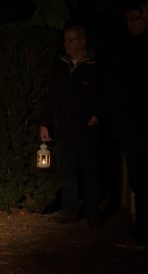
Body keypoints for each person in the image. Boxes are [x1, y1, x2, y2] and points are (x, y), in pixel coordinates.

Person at [40, 25, 104, 228]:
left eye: (71, 40)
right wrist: (45, 123)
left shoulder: (94, 66)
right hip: (63, 128)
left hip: (86, 128)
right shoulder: (60, 66)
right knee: (67, 171)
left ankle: (93, 212)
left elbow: (106, 94)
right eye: (65, 40)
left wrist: (97, 116)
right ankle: (69, 209)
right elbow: (51, 97)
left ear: (82, 41)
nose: (66, 44)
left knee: (90, 170)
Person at [109, 1, 148, 246]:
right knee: (139, 180)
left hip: (142, 127)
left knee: (144, 179)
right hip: (132, 127)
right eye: (128, 20)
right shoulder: (127, 49)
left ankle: (143, 231)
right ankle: (141, 229)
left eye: (136, 19)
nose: (130, 24)